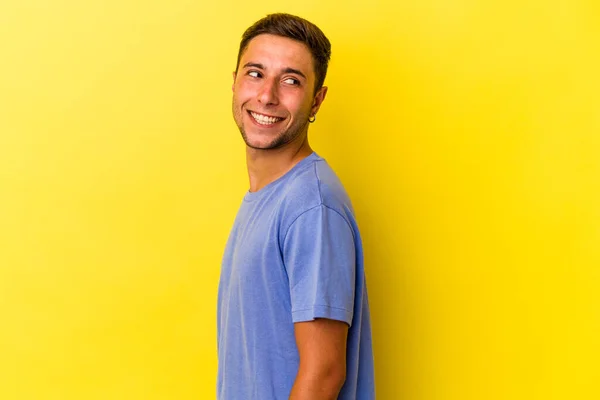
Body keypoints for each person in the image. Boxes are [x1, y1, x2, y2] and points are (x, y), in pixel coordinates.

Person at [217, 13, 375, 400]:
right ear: (234, 81)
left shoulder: (311, 206)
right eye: (255, 73)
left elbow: (323, 373)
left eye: (291, 80)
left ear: (317, 99)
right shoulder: (268, 196)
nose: (267, 95)